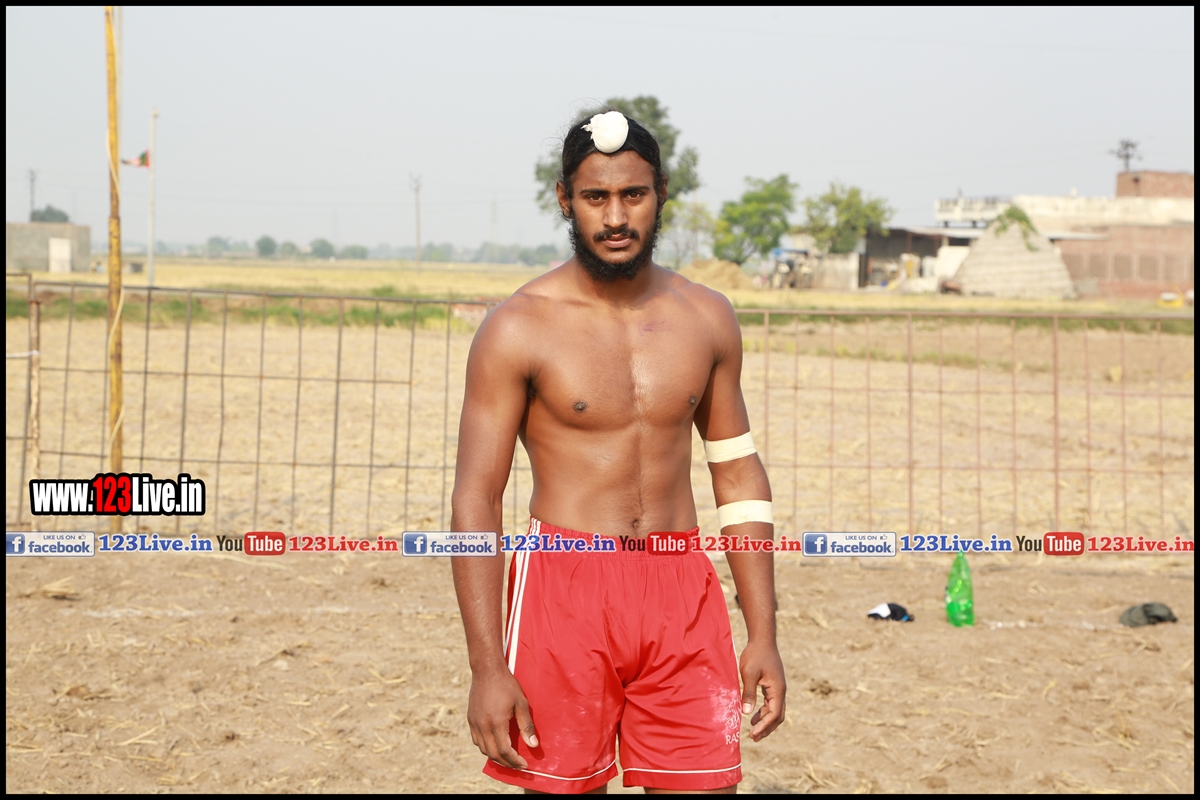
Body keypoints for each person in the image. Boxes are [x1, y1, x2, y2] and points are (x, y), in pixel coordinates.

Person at [451, 110, 785, 794]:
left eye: (632, 194)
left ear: (661, 193)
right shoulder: (517, 327)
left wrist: (763, 633)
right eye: (595, 197)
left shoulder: (707, 317)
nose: (614, 217)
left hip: (681, 586)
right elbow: (476, 497)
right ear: (564, 200)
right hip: (563, 587)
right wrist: (486, 665)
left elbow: (736, 474)